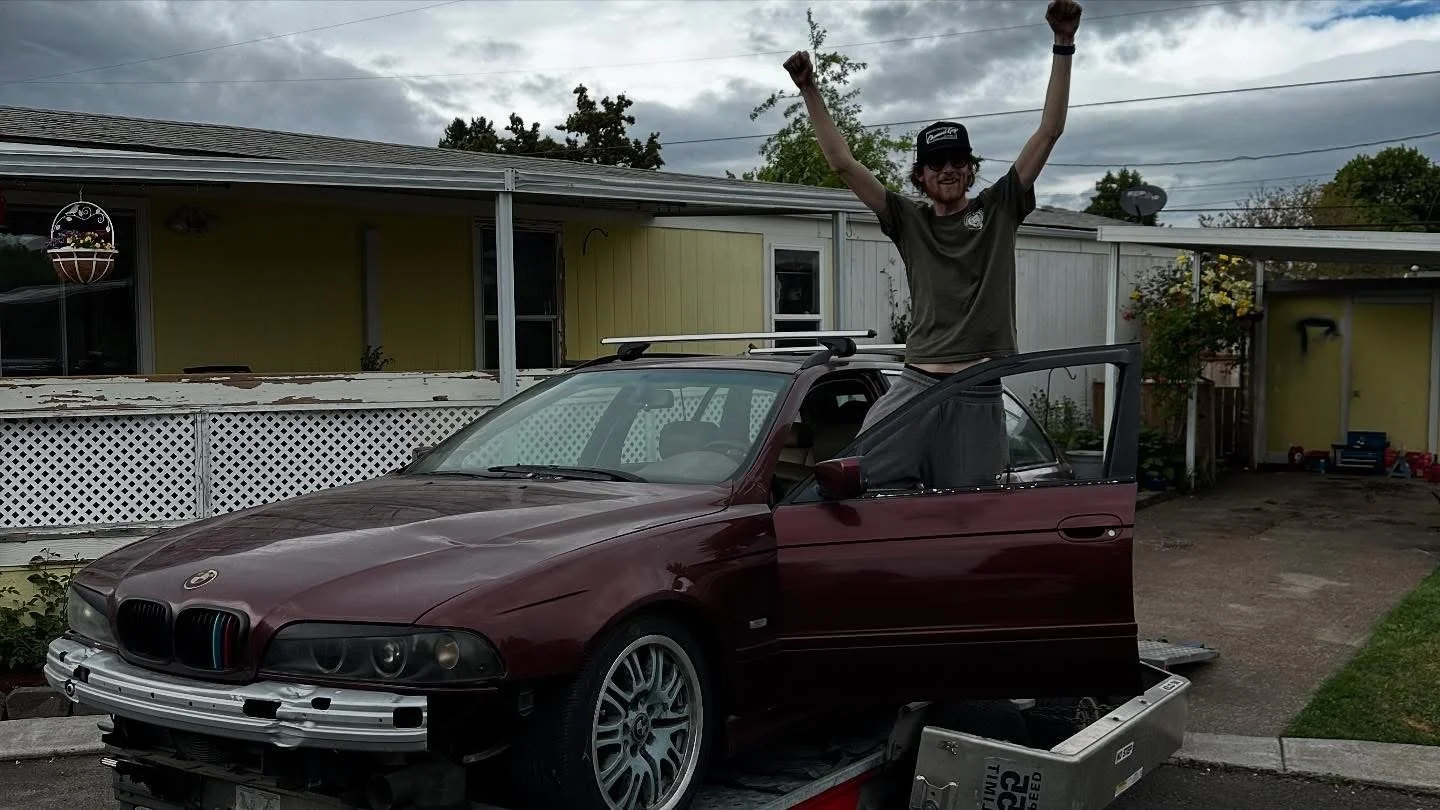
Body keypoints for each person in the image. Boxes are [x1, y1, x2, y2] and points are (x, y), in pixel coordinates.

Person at [783, 0, 1082, 490]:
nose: (948, 169)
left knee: (973, 504)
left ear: (969, 168)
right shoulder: (908, 220)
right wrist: (810, 89)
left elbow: (1049, 131)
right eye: (937, 162)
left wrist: (1063, 43)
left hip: (978, 390)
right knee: (858, 483)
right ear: (920, 175)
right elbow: (843, 164)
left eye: (958, 160)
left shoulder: (1000, 206)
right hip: (916, 385)